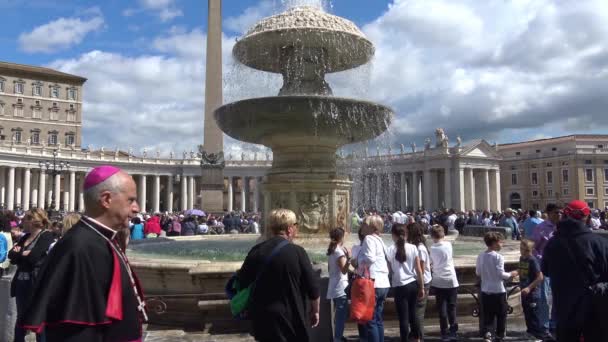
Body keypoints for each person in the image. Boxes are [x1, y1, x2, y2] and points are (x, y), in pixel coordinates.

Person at [19, 165, 147, 342]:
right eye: (131, 200)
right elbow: (77, 328)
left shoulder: (103, 239)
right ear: (106, 199)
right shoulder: (79, 247)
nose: (136, 208)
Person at [236, 209, 319, 342]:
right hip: (292, 316)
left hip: (263, 316)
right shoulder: (298, 252)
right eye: (296, 225)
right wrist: (315, 310)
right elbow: (313, 287)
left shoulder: (256, 251)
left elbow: (242, 282)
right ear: (290, 228)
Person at [541, 200, 608, 341]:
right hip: (594, 306)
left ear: (565, 216)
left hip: (564, 306)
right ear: (587, 217)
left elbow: (545, 270)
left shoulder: (553, 243)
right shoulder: (599, 242)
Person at [9, 208, 54, 342]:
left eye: (25, 219)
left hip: (36, 282)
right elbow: (11, 255)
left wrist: (19, 253)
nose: (22, 221)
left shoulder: (46, 235)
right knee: (21, 318)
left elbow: (34, 258)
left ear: (32, 221)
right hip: (21, 282)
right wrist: (24, 253)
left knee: (38, 318)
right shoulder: (25, 237)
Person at [476, 231, 518, 342]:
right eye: (501, 242)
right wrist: (511, 274)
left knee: (488, 315)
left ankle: (488, 334)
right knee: (501, 315)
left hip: (485, 290)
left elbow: (478, 272)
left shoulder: (481, 256)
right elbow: (501, 274)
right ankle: (499, 336)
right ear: (494, 243)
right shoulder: (498, 257)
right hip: (498, 291)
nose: (502, 244)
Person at [357, 214, 391, 342]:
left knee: (370, 320)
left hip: (373, 283)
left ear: (372, 227)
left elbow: (370, 258)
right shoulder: (380, 240)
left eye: (364, 224)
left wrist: (358, 262)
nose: (362, 227)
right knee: (378, 319)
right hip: (383, 283)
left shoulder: (369, 239)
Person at [388, 223, 424, 342]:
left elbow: (389, 270)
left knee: (403, 317)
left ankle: (404, 339)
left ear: (393, 235)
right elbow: (419, 270)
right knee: (413, 314)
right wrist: (422, 287)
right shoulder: (413, 247)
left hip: (399, 286)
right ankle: (417, 338)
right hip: (412, 284)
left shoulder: (390, 249)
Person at [531, 203, 560, 333]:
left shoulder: (563, 227)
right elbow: (533, 248)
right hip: (545, 268)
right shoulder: (541, 228)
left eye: (560, 212)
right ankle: (544, 325)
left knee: (558, 296)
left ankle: (554, 322)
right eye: (556, 212)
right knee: (544, 297)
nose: (559, 215)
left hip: (561, 267)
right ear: (548, 214)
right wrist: (542, 259)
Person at [429, 225, 459, 341]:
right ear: (443, 234)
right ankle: (453, 331)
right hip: (451, 280)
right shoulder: (448, 245)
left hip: (438, 281)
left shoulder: (432, 248)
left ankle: (444, 332)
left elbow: (431, 263)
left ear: (432, 236)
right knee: (452, 307)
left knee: (441, 308)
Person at [518, 239, 551, 341]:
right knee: (527, 313)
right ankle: (530, 332)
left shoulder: (532, 260)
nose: (523, 252)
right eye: (521, 249)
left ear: (531, 250)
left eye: (526, 250)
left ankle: (538, 336)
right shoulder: (522, 259)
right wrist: (515, 273)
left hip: (533, 293)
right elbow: (523, 271)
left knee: (534, 315)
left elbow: (540, 277)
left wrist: (529, 287)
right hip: (524, 292)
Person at [407, 222, 431, 341]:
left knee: (418, 312)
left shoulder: (420, 248)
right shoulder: (418, 246)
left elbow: (420, 269)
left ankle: (419, 337)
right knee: (415, 311)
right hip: (419, 281)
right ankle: (416, 335)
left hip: (423, 282)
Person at [326, 227, 350, 342]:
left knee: (339, 314)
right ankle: (338, 338)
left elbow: (330, 268)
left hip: (334, 286)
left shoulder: (332, 250)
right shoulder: (339, 252)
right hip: (341, 287)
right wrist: (349, 259)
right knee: (341, 316)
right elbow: (344, 270)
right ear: (341, 237)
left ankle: (338, 335)